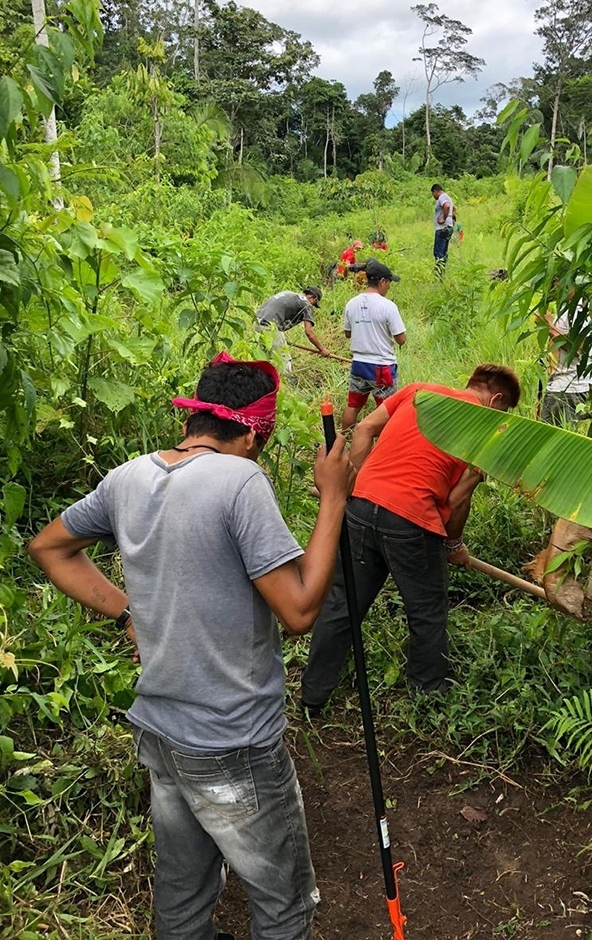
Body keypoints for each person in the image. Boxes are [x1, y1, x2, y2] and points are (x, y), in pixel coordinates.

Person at [27, 352, 351, 940]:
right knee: (284, 904)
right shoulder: (240, 479)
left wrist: (126, 609)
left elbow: (50, 547)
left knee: (182, 899)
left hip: (161, 730)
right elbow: (300, 609)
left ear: (192, 418)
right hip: (234, 739)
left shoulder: (127, 477)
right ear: (256, 433)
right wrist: (333, 496)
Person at [301, 364, 522, 712]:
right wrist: (453, 545)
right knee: (427, 612)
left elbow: (365, 429)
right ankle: (428, 698)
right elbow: (456, 500)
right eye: (504, 411)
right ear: (496, 400)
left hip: (360, 509)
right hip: (412, 521)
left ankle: (312, 699)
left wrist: (352, 490)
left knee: (342, 605)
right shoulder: (484, 431)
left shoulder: (419, 390)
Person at [341, 258, 407, 431]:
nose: (389, 287)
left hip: (358, 364)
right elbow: (401, 339)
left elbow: (347, 333)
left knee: (353, 405)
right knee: (386, 410)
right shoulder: (388, 306)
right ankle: (385, 445)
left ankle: (345, 438)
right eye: (389, 282)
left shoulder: (351, 303)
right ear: (382, 281)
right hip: (381, 367)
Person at [539, 307, 592, 424]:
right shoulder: (566, 307)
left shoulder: (580, 309)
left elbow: (578, 348)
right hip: (558, 387)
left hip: (569, 389)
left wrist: (548, 326)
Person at [256, 286, 331, 374]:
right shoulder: (306, 304)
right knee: (283, 360)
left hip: (257, 323)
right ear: (311, 297)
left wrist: (280, 338)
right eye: (314, 303)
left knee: (264, 357)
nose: (312, 306)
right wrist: (322, 349)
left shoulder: (287, 293)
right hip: (270, 327)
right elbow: (309, 332)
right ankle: (285, 382)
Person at [430, 183, 455, 277]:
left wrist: (443, 219)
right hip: (448, 227)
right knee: (443, 252)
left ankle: (439, 275)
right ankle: (442, 273)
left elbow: (447, 206)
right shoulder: (448, 197)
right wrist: (451, 220)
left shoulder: (442, 197)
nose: (433, 197)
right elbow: (453, 209)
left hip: (442, 229)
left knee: (438, 253)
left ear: (435, 191)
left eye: (433, 194)